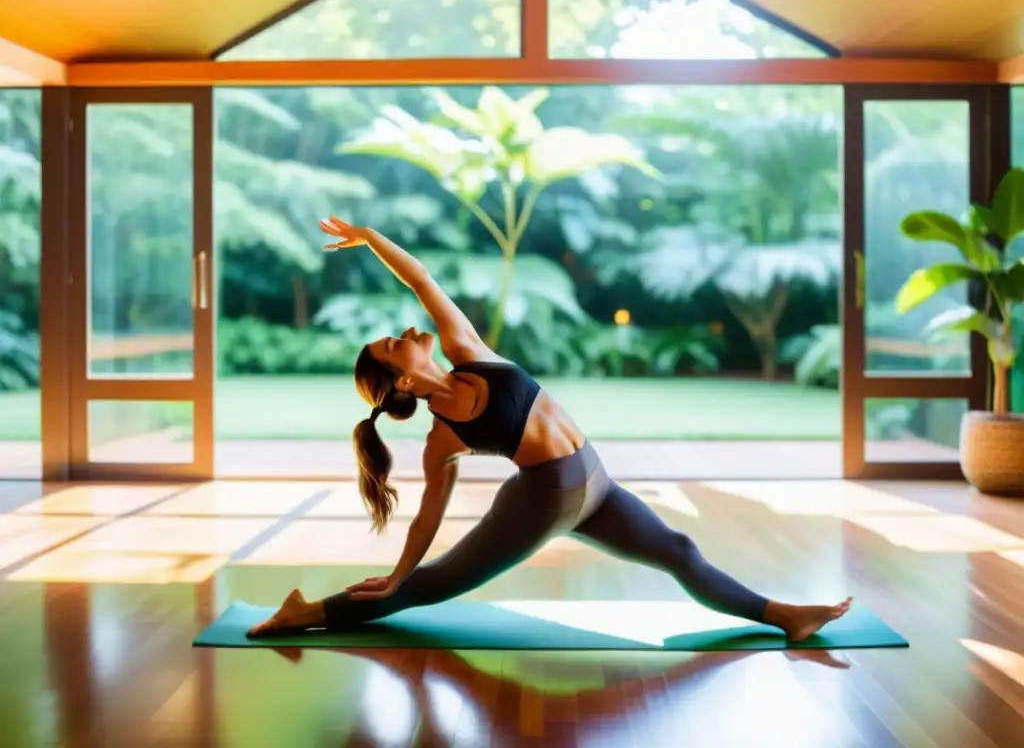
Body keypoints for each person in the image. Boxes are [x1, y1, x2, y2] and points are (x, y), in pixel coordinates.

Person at [248, 217, 852, 642]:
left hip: (595, 486)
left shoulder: (467, 348)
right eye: (392, 345)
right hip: (542, 501)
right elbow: (430, 512)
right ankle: (308, 612)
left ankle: (786, 615)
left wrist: (369, 238)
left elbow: (422, 280)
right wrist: (401, 573)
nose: (405, 332)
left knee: (679, 551)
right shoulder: (443, 439)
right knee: (430, 585)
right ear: (401, 383)